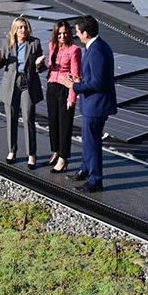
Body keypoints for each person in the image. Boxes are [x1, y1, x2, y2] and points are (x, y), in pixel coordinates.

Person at [57, 15, 117, 193]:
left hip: (96, 106)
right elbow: (96, 77)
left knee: (92, 143)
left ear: (86, 33)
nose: (76, 35)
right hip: (92, 104)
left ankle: (95, 180)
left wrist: (74, 86)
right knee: (87, 141)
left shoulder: (97, 50)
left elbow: (98, 83)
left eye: (77, 32)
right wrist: (81, 79)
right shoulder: (97, 46)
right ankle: (85, 169)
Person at [0, 17, 44, 169]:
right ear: (15, 29)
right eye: (20, 27)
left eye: (25, 27)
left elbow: (40, 68)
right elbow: (0, 65)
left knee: (28, 117)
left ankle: (31, 154)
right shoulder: (7, 42)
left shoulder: (34, 43)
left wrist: (39, 64)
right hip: (11, 84)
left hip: (28, 84)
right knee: (11, 118)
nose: (23, 30)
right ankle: (12, 151)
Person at [43, 20, 82, 173]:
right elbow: (51, 69)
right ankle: (56, 151)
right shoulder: (52, 46)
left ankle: (63, 158)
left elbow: (75, 75)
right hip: (52, 87)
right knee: (53, 122)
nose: (62, 36)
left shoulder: (74, 50)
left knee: (64, 125)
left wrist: (72, 98)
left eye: (65, 32)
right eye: (59, 33)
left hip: (65, 89)